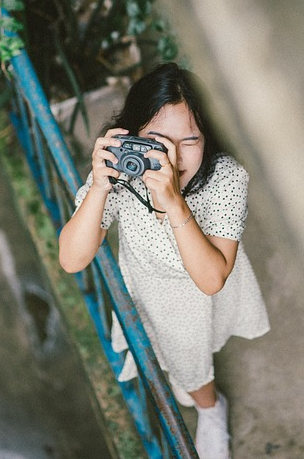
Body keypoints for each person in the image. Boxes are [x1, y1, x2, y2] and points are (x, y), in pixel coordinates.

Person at [59, 62, 270, 459]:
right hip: (147, 284)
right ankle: (196, 390)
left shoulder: (226, 178)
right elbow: (71, 259)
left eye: (189, 140)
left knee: (189, 365)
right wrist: (99, 187)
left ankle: (211, 410)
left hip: (201, 289)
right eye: (156, 142)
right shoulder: (124, 173)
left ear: (208, 137)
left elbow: (211, 279)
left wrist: (174, 203)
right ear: (131, 137)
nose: (172, 158)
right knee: (167, 351)